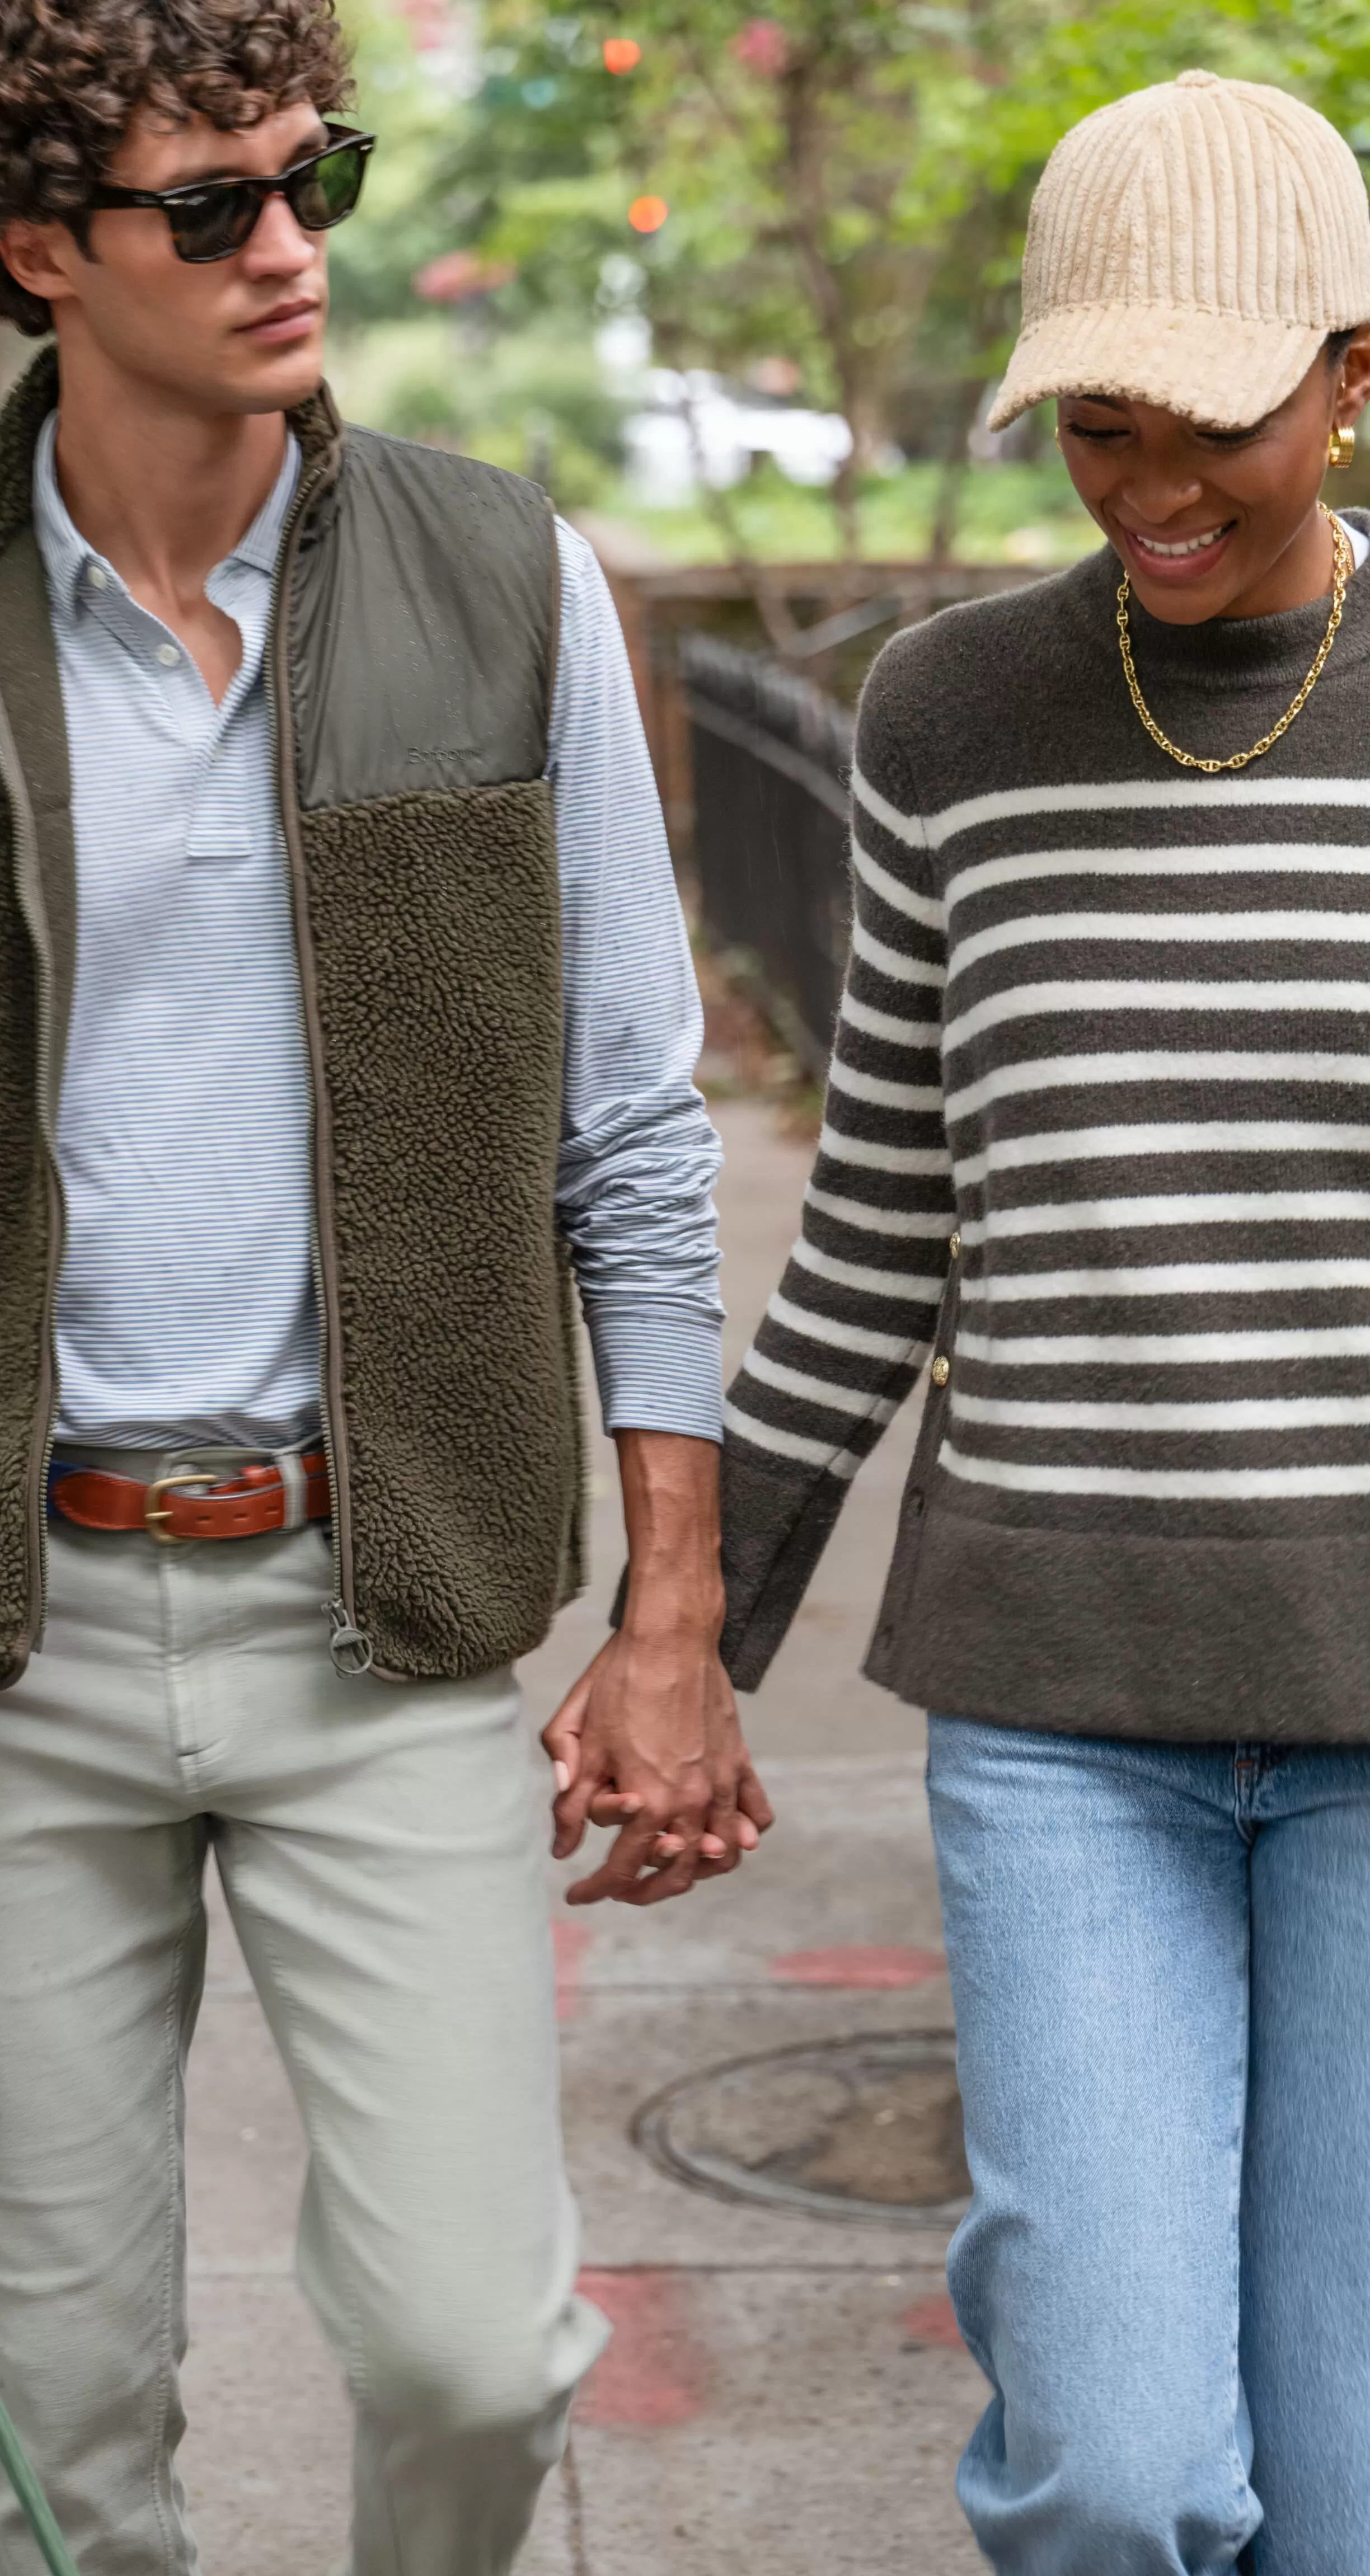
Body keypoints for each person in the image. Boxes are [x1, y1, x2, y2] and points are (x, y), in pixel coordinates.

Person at [0, 2, 772, 2568]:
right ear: (42, 251)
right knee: (68, 2432)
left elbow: (631, 1126)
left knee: (472, 2355)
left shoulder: (504, 582)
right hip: (6, 1641)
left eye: (315, 179)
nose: (291, 250)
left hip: (381, 1618)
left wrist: (675, 1606)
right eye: (214, 205)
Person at [717, 67, 1370, 2576]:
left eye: (1211, 418)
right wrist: (696, 1618)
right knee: (1112, 2472)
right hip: (1060, 1721)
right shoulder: (950, 714)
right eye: (1100, 424)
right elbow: (885, 1203)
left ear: (1349, 371)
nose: (1152, 482)